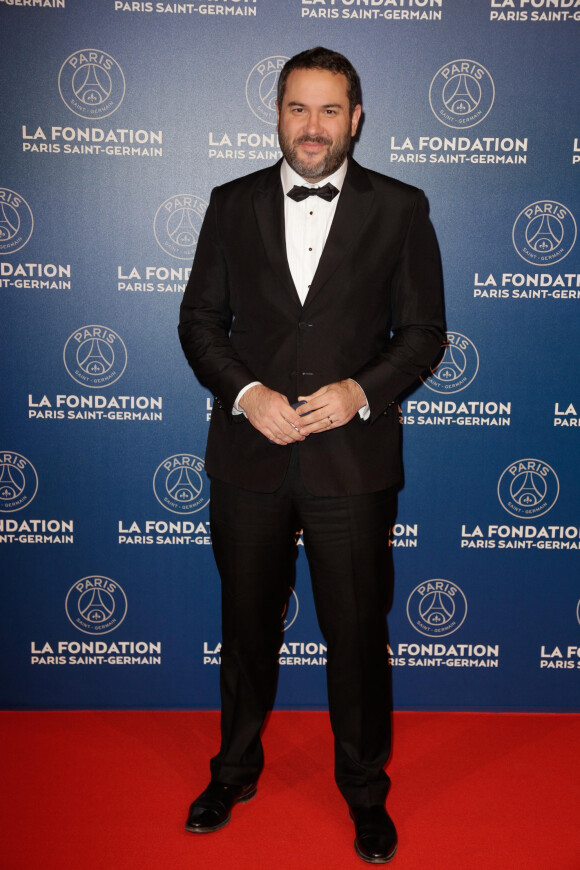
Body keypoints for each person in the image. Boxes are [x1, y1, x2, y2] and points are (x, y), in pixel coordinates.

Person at [178, 46, 444, 864]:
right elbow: (200, 323)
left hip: (351, 467)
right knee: (246, 628)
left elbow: (424, 336)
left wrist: (359, 391)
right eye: (299, 108)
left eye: (331, 110)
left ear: (356, 119)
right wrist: (249, 396)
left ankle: (365, 794)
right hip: (248, 460)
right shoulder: (230, 204)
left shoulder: (401, 208)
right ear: (278, 113)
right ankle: (233, 771)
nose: (314, 126)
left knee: (358, 636)